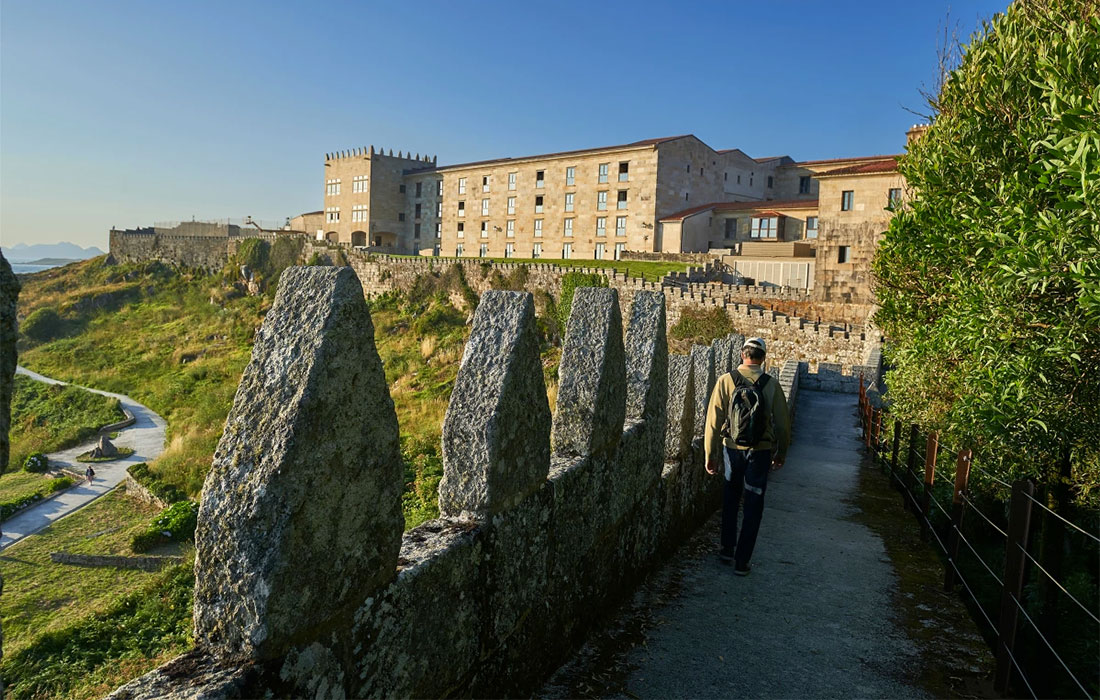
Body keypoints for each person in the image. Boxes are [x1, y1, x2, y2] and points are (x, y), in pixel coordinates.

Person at [704, 337, 791, 576]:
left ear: (743, 355)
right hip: (761, 451)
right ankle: (742, 561)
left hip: (732, 448)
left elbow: (713, 422)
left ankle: (726, 548)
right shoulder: (771, 384)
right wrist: (781, 452)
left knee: (731, 497)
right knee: (754, 504)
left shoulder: (725, 381)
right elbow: (783, 424)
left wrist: (710, 454)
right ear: (763, 359)